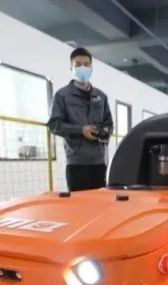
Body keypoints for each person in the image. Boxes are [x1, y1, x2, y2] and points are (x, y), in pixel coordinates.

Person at [47, 47, 113, 191]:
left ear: (91, 68)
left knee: (100, 202)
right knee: (78, 203)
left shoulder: (101, 97)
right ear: (71, 68)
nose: (82, 68)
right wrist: (81, 130)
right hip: (76, 163)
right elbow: (54, 125)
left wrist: (101, 132)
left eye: (86, 64)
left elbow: (109, 124)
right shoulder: (62, 96)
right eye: (78, 65)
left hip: (98, 162)